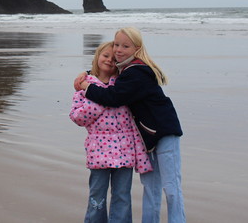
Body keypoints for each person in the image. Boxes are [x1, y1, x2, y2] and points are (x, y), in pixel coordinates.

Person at [74, 27, 186, 223]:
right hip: (147, 136)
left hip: (164, 131)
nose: (118, 50)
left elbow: (113, 96)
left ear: (136, 48)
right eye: (116, 44)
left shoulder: (136, 71)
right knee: (150, 186)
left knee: (171, 186)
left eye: (125, 46)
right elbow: (105, 71)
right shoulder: (125, 71)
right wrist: (87, 73)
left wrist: (86, 85)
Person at [70, 41, 152, 223]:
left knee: (122, 197)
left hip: (125, 151)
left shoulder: (122, 85)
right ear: (97, 56)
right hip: (98, 151)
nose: (109, 60)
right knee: (97, 196)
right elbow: (77, 118)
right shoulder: (84, 86)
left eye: (114, 59)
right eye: (105, 55)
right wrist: (99, 98)